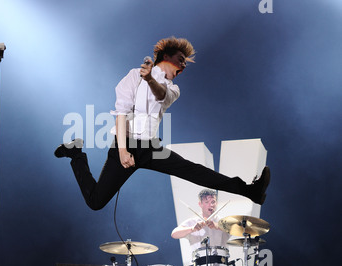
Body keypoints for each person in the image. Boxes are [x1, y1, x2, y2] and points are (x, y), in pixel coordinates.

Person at [54, 36, 270, 211]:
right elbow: (121, 113)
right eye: (180, 59)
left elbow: (160, 95)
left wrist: (150, 79)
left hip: (151, 148)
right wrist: (122, 150)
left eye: (185, 61)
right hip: (126, 144)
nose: (184, 64)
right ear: (165, 56)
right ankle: (76, 154)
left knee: (195, 171)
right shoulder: (134, 76)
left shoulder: (173, 89)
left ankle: (251, 191)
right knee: (95, 202)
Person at [171, 189, 229, 255]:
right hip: (199, 263)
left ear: (216, 203)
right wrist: (193, 228)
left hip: (221, 262)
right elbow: (174, 234)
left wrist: (217, 226)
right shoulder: (193, 222)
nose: (211, 205)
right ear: (200, 204)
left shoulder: (223, 221)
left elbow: (236, 229)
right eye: (207, 202)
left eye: (213, 202)